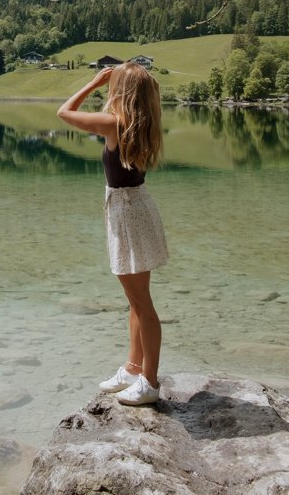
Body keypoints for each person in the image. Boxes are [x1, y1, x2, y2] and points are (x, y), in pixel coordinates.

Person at [57, 62, 168, 406]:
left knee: (141, 304)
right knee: (136, 301)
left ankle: (149, 381)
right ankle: (134, 368)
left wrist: (93, 82)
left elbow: (64, 112)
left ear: (122, 93)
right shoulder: (141, 124)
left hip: (126, 215)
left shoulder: (114, 124)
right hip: (137, 209)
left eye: (114, 85)